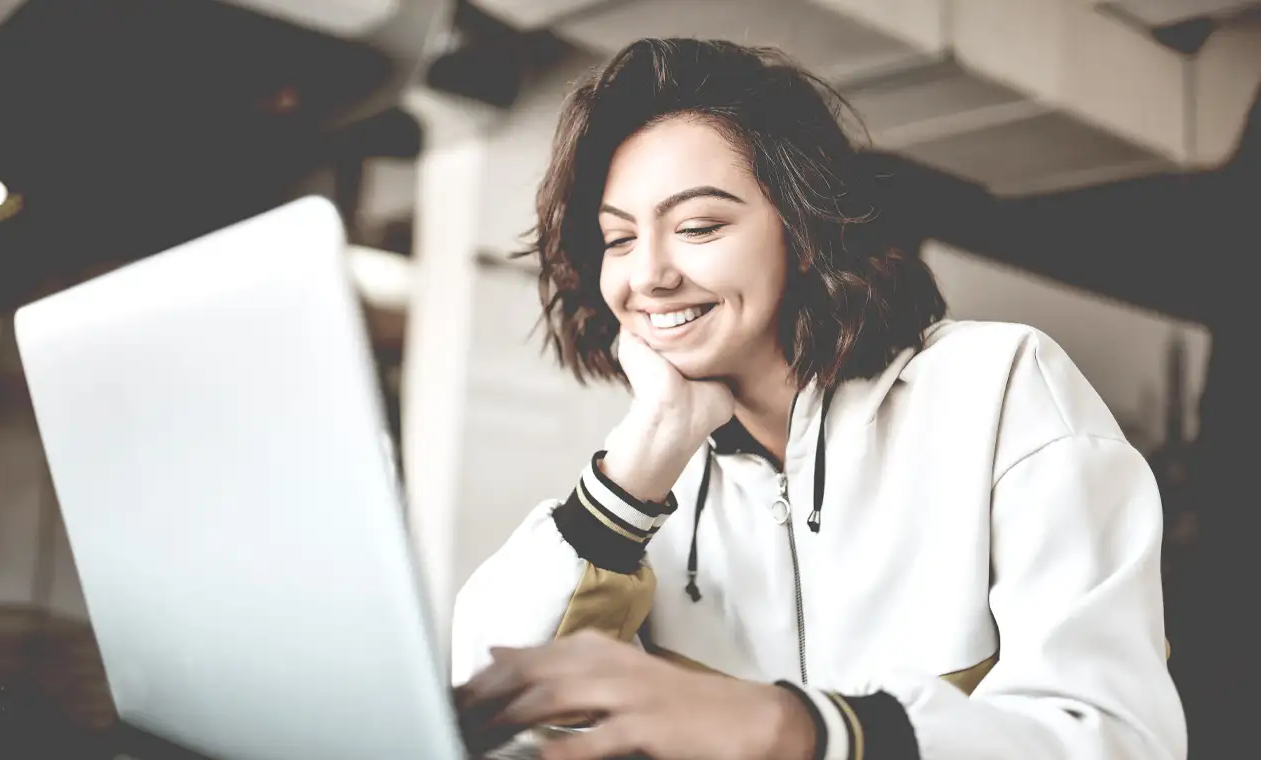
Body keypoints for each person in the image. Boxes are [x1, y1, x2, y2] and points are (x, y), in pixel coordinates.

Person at [449, 38, 1185, 760]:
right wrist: (647, 453)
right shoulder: (650, 473)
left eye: (698, 226)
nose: (649, 275)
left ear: (801, 232)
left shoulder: (999, 386)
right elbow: (498, 707)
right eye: (617, 239)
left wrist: (799, 730)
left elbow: (1116, 738)